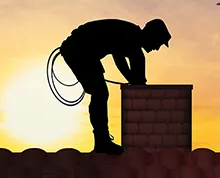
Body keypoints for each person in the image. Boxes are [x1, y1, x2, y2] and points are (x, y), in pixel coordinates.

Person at [59, 18, 172, 155]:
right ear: (152, 35)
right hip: (78, 50)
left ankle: (102, 140)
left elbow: (133, 70)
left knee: (99, 92)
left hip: (84, 53)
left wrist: (137, 83)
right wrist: (135, 82)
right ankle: (102, 141)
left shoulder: (134, 42)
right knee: (100, 93)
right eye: (158, 43)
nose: (157, 48)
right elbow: (121, 60)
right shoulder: (131, 36)